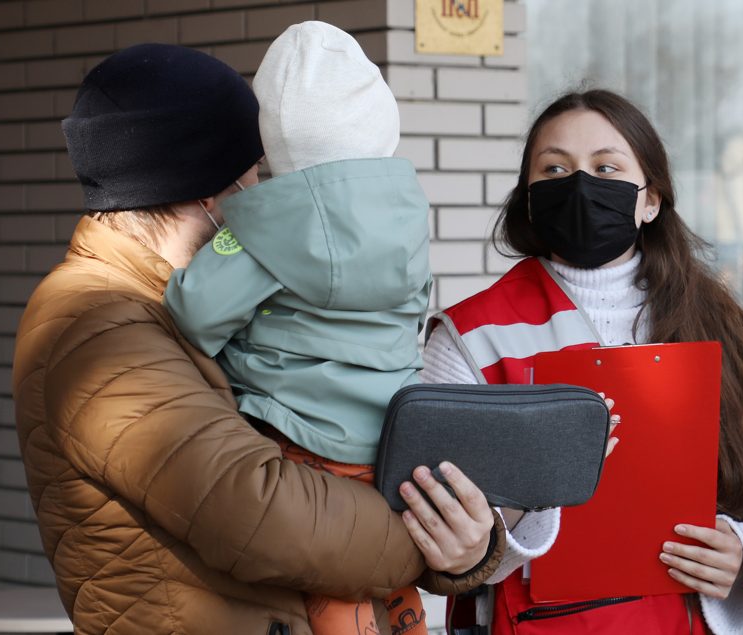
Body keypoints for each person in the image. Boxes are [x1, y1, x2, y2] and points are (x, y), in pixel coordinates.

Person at [12, 43, 504, 635]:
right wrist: (435, 540)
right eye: (257, 176)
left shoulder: (181, 305)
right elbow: (262, 513)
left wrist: (465, 544)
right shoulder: (94, 324)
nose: (266, 195)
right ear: (207, 191)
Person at [418, 89, 743, 635]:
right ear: (529, 197)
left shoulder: (714, 319)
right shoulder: (470, 337)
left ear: (651, 200)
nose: (579, 186)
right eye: (554, 169)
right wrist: (541, 487)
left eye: (606, 167)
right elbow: (446, 541)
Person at [162, 22, 472, 634]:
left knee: (332, 569)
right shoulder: (407, 215)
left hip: (299, 430)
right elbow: (414, 310)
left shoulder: (264, 228)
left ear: (276, 140)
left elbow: (194, 314)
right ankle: (405, 616)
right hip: (390, 432)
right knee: (382, 551)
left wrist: (214, 247)